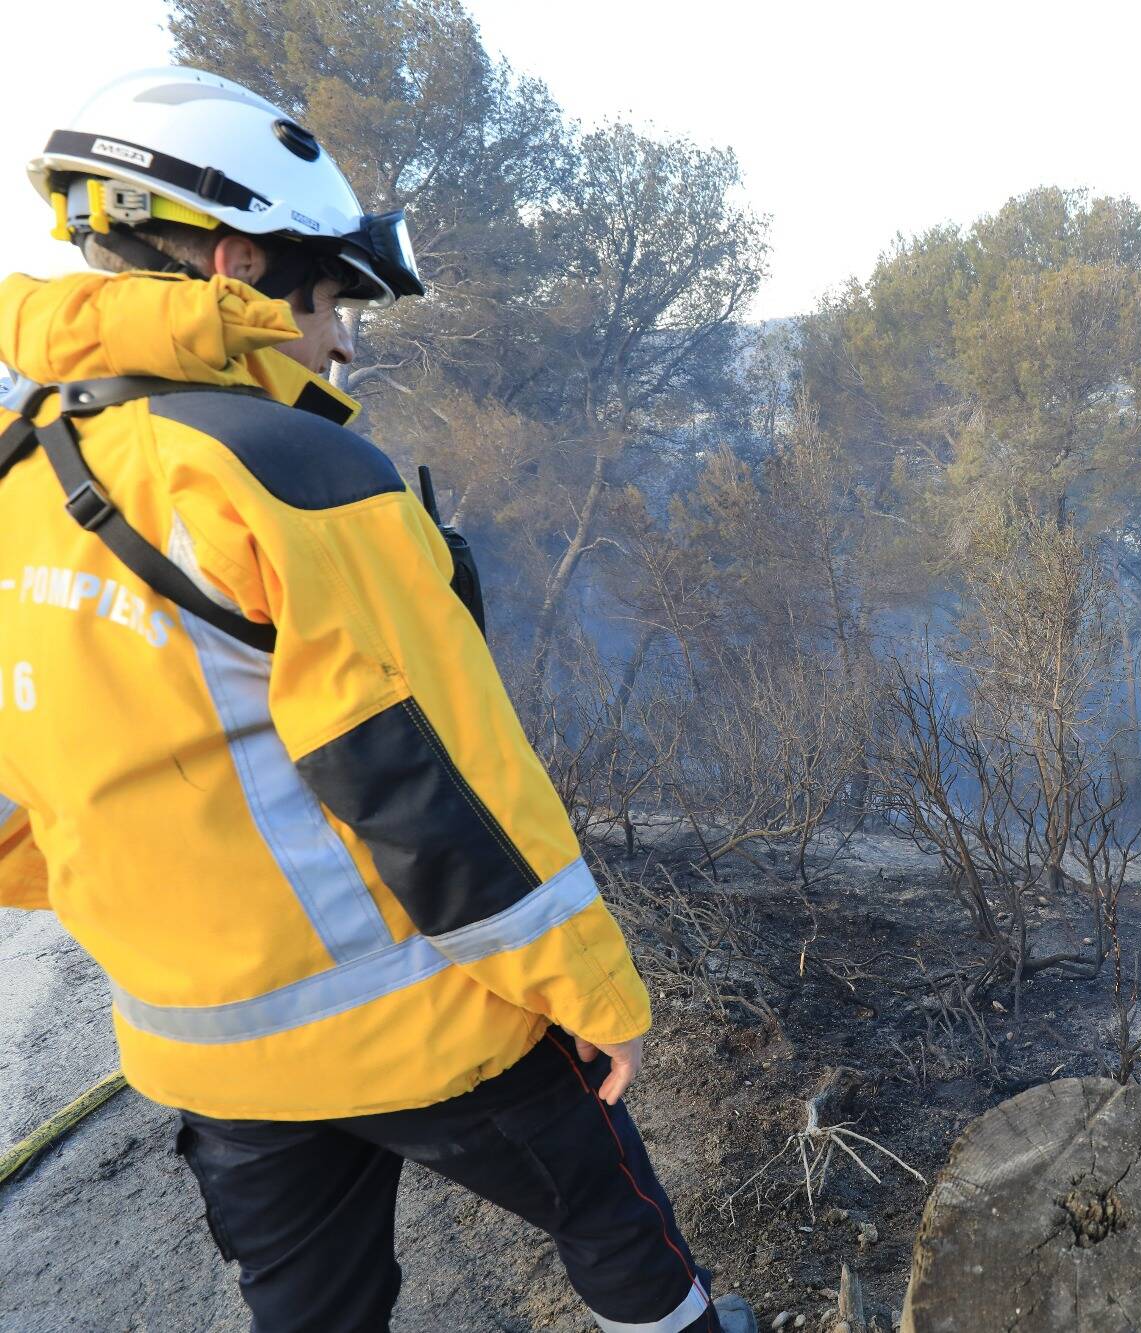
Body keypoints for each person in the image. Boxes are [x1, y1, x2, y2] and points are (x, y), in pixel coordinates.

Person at [0, 66, 748, 1333]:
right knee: (623, 1241)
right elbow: (418, 775)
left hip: (204, 1051)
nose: (345, 336)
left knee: (310, 1314)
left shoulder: (19, 476)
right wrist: (591, 998)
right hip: (422, 1028)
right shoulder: (291, 467)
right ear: (238, 263)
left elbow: (32, 790)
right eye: (334, 294)